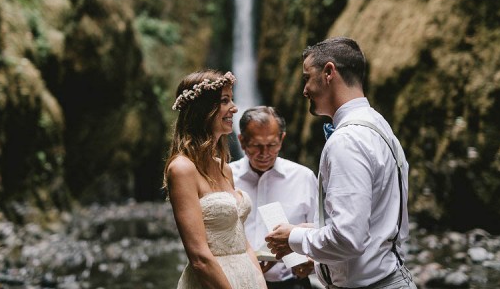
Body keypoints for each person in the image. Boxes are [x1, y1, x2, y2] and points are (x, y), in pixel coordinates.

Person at [265, 37, 417, 289]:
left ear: (328, 72)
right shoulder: (379, 125)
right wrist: (318, 256)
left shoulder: (347, 140)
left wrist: (293, 237)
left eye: (306, 78)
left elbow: (349, 238)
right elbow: (370, 224)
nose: (304, 90)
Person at [163, 69, 267, 289]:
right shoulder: (182, 169)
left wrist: (260, 283)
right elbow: (200, 258)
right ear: (203, 110)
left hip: (247, 278)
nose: (235, 107)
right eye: (225, 100)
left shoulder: (224, 168)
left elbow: (242, 240)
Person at [230, 106, 318, 289]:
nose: (264, 154)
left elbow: (321, 232)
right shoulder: (226, 177)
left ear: (282, 139)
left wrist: (313, 262)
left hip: (292, 283)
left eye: (271, 145)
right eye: (256, 145)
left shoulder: (304, 177)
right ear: (242, 141)